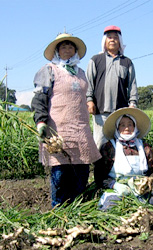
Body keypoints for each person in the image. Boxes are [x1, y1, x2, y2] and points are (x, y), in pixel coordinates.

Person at [31, 33, 101, 208]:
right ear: (57, 51)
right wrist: (41, 122)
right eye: (63, 47)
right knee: (60, 173)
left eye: (71, 47)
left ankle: (78, 209)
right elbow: (39, 99)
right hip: (58, 131)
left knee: (81, 171)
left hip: (81, 130)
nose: (67, 50)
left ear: (75, 51)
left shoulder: (82, 73)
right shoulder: (49, 70)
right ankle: (59, 211)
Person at [95, 108, 153, 210]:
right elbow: (99, 176)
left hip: (140, 189)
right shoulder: (109, 147)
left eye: (130, 124)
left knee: (152, 201)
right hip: (118, 189)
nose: (127, 128)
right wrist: (113, 185)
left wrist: (147, 182)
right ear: (117, 127)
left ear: (135, 127)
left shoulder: (144, 147)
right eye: (122, 125)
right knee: (111, 206)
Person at [86, 25, 138, 150]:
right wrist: (89, 100)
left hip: (120, 112)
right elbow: (89, 82)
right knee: (100, 143)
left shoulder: (127, 62)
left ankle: (117, 169)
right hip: (100, 110)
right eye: (109, 37)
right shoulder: (96, 60)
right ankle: (99, 169)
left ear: (120, 41)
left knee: (120, 144)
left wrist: (133, 103)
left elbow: (132, 84)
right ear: (105, 41)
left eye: (116, 37)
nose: (113, 40)